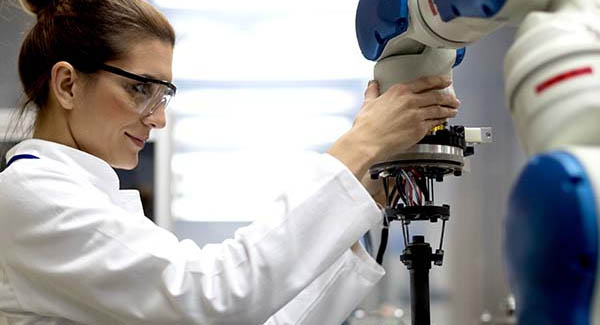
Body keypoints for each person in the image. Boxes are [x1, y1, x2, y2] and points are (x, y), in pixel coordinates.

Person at [0, 0, 460, 324]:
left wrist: (363, 192)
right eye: (141, 88)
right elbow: (215, 299)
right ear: (67, 85)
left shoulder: (84, 198)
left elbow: (253, 319)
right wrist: (359, 145)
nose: (158, 118)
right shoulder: (35, 195)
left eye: (165, 95)